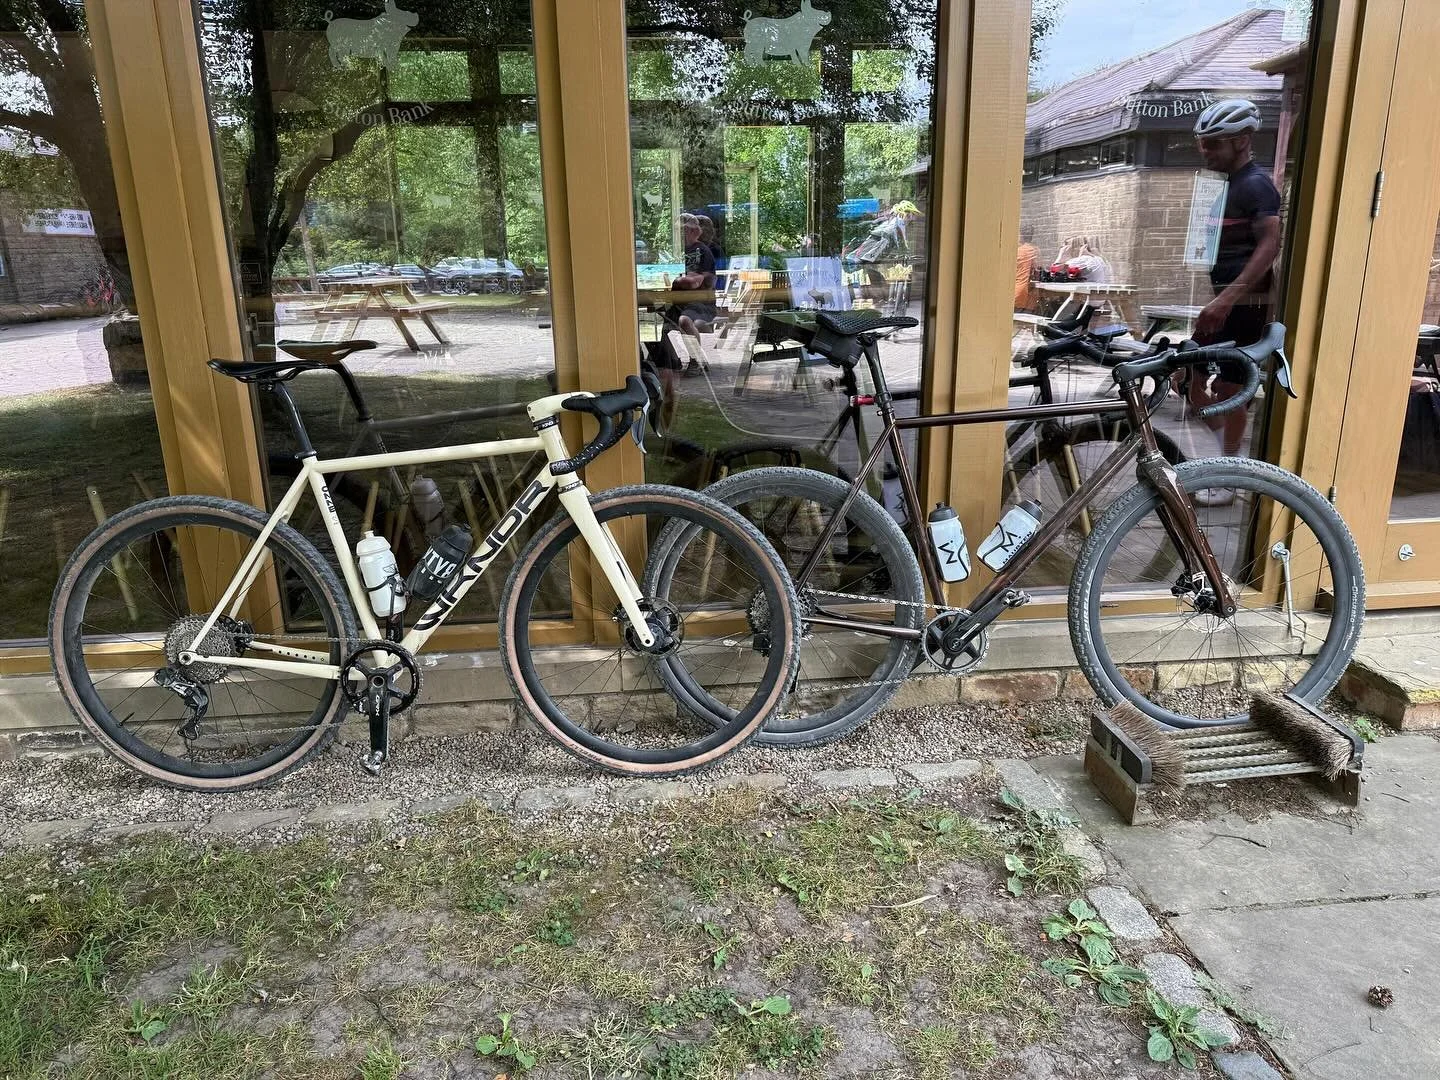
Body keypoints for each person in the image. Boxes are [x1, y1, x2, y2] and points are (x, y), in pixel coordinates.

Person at [1189, 98, 1282, 479]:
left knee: (1229, 390)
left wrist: (1227, 300)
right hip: (1223, 302)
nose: (1205, 151)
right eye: (1203, 143)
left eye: (1214, 143)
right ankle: (1225, 455)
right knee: (1188, 383)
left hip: (1247, 305)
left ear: (1242, 140)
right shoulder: (1227, 184)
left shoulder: (1256, 185)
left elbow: (1270, 244)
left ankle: (1228, 475)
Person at [853, 200, 921, 299]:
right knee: (879, 286)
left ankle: (871, 298)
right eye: (911, 215)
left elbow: (899, 244)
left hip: (870, 260)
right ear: (905, 214)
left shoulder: (897, 224)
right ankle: (857, 294)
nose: (912, 219)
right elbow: (879, 248)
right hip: (868, 260)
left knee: (880, 285)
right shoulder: (893, 227)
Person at [1015, 224, 1039, 312]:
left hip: (1015, 291)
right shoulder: (1034, 250)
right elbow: (1037, 270)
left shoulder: (1018, 251)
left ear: (1020, 235)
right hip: (1024, 293)